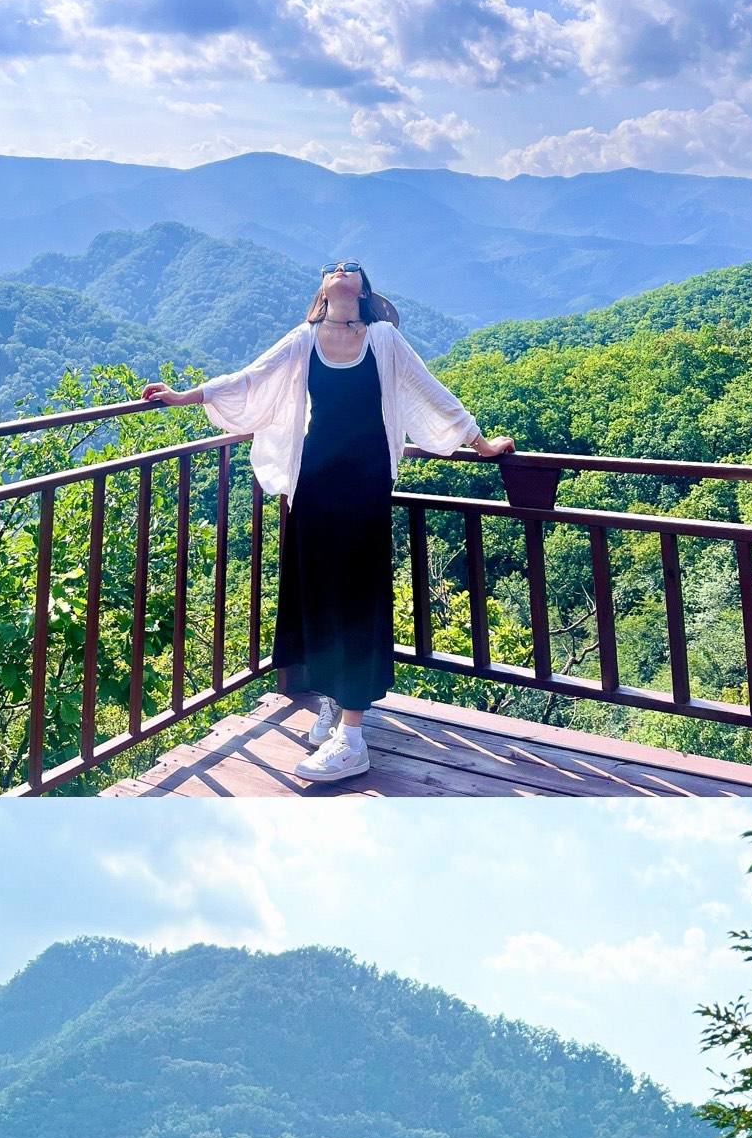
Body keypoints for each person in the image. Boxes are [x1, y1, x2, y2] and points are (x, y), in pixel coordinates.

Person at [142, 263, 513, 784]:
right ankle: (334, 703)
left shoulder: (382, 339)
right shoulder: (304, 339)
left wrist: (482, 444)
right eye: (332, 269)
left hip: (363, 486)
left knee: (358, 597)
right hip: (313, 483)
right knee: (317, 594)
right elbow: (252, 377)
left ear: (362, 289)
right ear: (323, 290)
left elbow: (429, 391)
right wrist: (185, 396)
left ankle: (354, 739)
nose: (340, 271)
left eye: (350, 269)